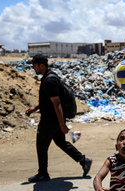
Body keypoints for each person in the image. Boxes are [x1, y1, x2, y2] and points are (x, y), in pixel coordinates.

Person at [25, 54, 92, 182]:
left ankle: (43, 173)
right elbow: (49, 100)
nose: (33, 67)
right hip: (54, 118)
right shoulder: (49, 76)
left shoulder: (49, 80)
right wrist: (35, 108)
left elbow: (57, 103)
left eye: (34, 65)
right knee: (61, 142)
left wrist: (62, 124)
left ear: (41, 65)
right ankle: (84, 161)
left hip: (50, 119)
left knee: (41, 144)